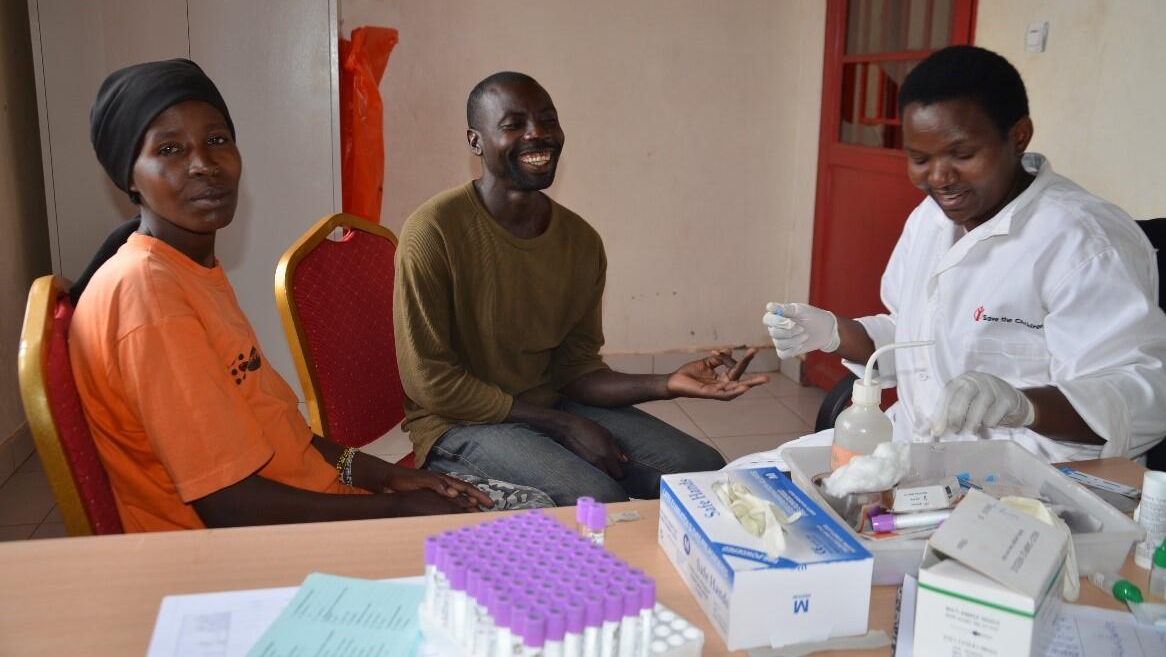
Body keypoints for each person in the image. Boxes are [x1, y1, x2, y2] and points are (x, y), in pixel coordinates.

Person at [68, 59, 547, 533]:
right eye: (169, 149)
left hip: (308, 508)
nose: (204, 165)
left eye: (217, 141)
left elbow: (288, 436)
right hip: (250, 554)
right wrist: (395, 513)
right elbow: (227, 505)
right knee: (539, 533)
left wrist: (392, 477)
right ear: (129, 176)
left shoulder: (188, 271)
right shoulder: (146, 293)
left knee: (540, 511)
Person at [763, 45, 1166, 463]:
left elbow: (1145, 400)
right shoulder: (930, 220)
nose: (939, 178)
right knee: (742, 489)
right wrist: (833, 332)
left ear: (1018, 135)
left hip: (1033, 482)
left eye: (963, 155)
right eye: (920, 159)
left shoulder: (1081, 240)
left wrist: (1025, 406)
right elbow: (911, 336)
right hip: (917, 449)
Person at [394, 71, 769, 505]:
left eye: (548, 120)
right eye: (514, 124)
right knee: (596, 499)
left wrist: (668, 382)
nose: (538, 135)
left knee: (704, 472)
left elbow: (575, 371)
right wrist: (561, 426)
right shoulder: (433, 230)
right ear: (475, 141)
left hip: (548, 405)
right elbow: (431, 383)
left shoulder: (581, 241)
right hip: (458, 424)